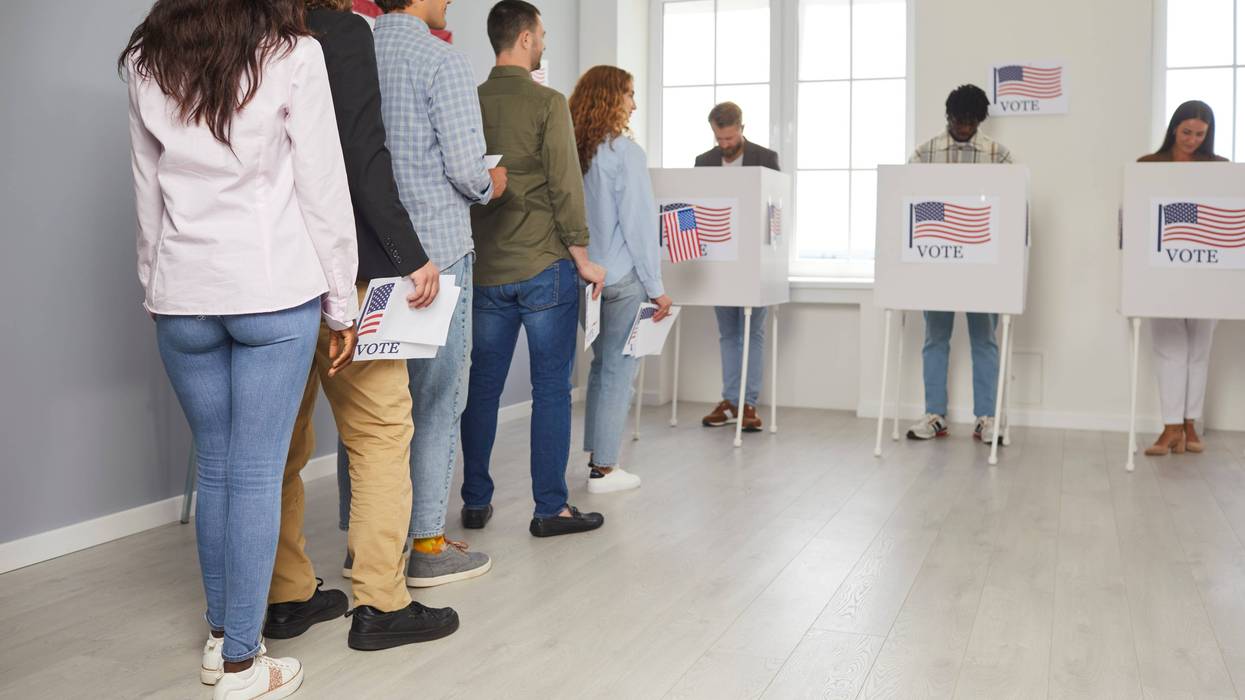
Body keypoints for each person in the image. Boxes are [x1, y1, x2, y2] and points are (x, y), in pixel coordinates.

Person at [121, 0, 356, 696]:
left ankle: (223, 640)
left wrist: (157, 284)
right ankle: (242, 665)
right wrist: (340, 302)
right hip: (270, 289)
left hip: (182, 296)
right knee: (251, 476)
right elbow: (321, 185)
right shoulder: (292, 54)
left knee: (219, 469)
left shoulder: (145, 60)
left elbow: (146, 194)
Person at [265, 0, 460, 656]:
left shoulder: (237, 29)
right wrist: (411, 254)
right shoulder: (340, 31)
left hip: (267, 279)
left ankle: (286, 594)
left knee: (282, 446)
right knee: (380, 431)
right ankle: (381, 602)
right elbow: (360, 155)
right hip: (339, 269)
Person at [336, 0, 506, 591]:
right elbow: (466, 168)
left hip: (365, 255)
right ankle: (428, 545)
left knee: (367, 413)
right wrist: (492, 182)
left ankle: (366, 548)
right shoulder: (441, 59)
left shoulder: (347, 49)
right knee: (436, 402)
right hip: (437, 256)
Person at [463, 0, 607, 537]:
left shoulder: (470, 101)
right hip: (545, 265)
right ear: (524, 39)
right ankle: (551, 509)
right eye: (541, 35)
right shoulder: (548, 103)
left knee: (481, 388)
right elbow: (566, 184)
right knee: (551, 389)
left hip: (487, 270)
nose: (544, 43)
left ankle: (475, 501)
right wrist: (583, 255)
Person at [569, 65, 673, 494]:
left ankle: (598, 457)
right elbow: (640, 224)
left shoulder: (572, 151)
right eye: (629, 94)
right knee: (619, 369)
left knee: (600, 367)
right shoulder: (626, 154)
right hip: (623, 277)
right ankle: (605, 469)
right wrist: (657, 287)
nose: (633, 103)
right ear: (612, 99)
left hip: (580, 275)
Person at [905, 84, 1013, 444]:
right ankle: (935, 414)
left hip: (984, 265)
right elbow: (908, 203)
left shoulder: (998, 155)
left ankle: (987, 418)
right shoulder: (925, 153)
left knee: (985, 340)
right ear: (948, 117)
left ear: (980, 120)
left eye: (971, 121)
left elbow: (1013, 208)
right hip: (937, 262)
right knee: (935, 338)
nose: (964, 127)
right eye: (958, 120)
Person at [1137, 100, 1227, 456]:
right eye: (1186, 132)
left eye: (1199, 135)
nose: (1192, 140)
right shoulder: (1148, 165)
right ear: (1174, 128)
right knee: (1169, 349)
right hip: (1161, 268)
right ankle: (1170, 425)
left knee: (1199, 349)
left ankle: (1191, 424)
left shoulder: (1221, 168)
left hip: (1209, 268)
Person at [693, 102, 780, 433]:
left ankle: (749, 404)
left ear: (742, 128)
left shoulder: (765, 158)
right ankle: (730, 401)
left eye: (730, 137)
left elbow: (778, 213)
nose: (726, 144)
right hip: (718, 261)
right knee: (728, 332)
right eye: (720, 138)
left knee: (752, 332)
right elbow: (697, 209)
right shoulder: (704, 162)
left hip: (756, 263)